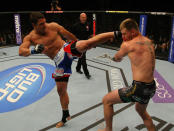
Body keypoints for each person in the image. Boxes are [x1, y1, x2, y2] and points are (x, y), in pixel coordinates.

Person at [19, 12, 78, 128]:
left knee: (88, 43)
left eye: (44, 22)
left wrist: (77, 44)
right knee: (61, 90)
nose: (44, 25)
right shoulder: (31, 37)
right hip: (59, 62)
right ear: (33, 25)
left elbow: (68, 35)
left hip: (67, 50)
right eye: (41, 24)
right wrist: (33, 51)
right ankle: (65, 114)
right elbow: (21, 51)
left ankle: (114, 34)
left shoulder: (53, 26)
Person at [97, 18, 157, 131]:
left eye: (124, 33)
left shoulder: (128, 44)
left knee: (107, 100)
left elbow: (117, 57)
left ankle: (108, 129)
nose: (123, 36)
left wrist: (116, 58)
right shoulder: (149, 41)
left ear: (133, 31)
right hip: (151, 87)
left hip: (138, 88)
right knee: (141, 111)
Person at [71, 13, 92, 79]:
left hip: (86, 43)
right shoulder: (75, 26)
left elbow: (90, 33)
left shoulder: (88, 25)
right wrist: (75, 40)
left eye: (85, 17)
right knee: (83, 58)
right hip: (79, 44)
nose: (84, 18)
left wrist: (92, 41)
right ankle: (87, 73)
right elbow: (72, 35)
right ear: (80, 18)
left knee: (81, 56)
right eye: (82, 17)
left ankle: (77, 68)